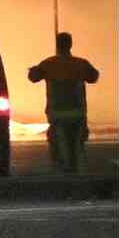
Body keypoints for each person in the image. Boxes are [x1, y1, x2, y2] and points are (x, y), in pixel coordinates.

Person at [28, 32, 100, 174]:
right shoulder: (81, 64)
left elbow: (33, 77)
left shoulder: (48, 64)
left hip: (56, 113)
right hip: (77, 112)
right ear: (70, 44)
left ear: (57, 45)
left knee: (56, 143)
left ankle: (61, 166)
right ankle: (75, 167)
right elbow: (94, 77)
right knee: (77, 144)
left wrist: (34, 69)